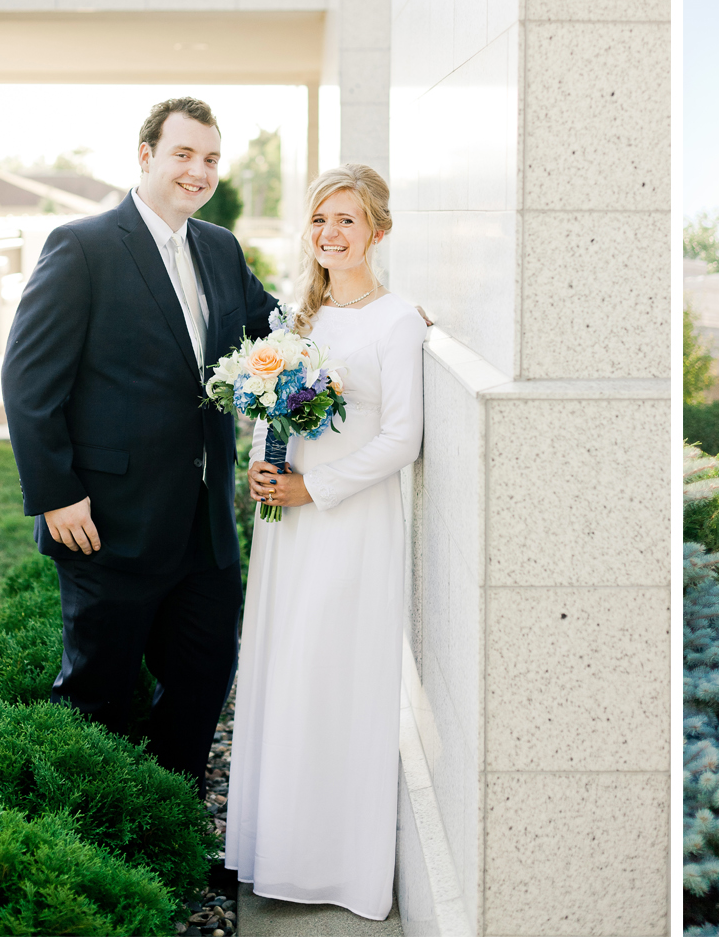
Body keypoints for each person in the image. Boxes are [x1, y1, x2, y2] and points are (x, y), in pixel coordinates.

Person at [1, 96, 278, 800]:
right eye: (184, 153)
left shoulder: (219, 247)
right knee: (98, 695)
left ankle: (165, 822)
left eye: (211, 158)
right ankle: (86, 841)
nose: (199, 170)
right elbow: (28, 379)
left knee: (205, 675)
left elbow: (275, 323)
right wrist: (56, 491)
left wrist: (374, 312)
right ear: (146, 155)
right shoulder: (83, 245)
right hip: (107, 524)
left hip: (204, 528)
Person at [224, 163, 426, 921]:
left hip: (349, 524)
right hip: (289, 531)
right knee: (284, 671)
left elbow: (403, 437)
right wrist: (262, 464)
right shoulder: (298, 321)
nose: (331, 234)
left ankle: (334, 864)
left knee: (331, 674)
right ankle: (277, 847)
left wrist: (318, 488)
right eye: (320, 220)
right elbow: (268, 406)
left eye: (347, 219)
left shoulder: (398, 320)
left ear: (377, 229)